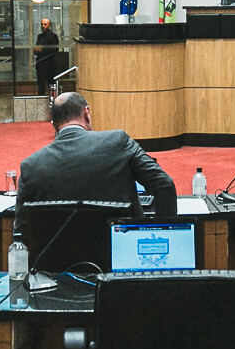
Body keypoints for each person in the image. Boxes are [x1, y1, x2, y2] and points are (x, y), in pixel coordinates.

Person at [19, 92, 177, 219]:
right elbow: (164, 185)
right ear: (86, 113)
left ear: (53, 123)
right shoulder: (117, 142)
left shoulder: (30, 166)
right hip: (118, 254)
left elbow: (20, 235)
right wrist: (163, 231)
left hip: (59, 257)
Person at [34, 17, 62, 93]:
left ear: (49, 25)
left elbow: (54, 49)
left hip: (49, 63)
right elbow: (37, 46)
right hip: (40, 63)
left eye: (45, 24)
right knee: (41, 84)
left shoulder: (53, 36)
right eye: (42, 24)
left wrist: (42, 51)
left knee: (51, 83)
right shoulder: (40, 36)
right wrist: (36, 50)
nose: (43, 26)